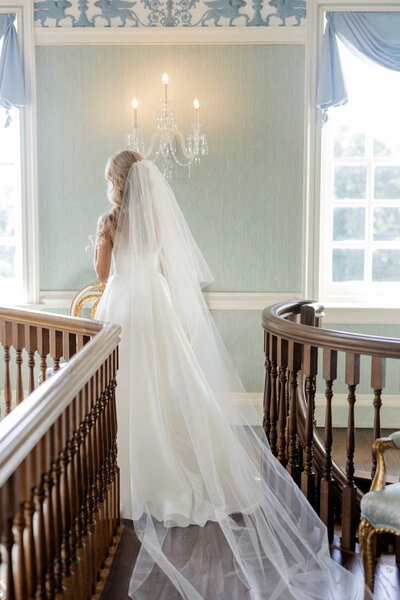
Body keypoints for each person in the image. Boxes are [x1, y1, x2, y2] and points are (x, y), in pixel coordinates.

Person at [93, 150, 368, 599]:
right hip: (153, 307)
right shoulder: (155, 223)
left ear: (117, 183)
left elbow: (104, 274)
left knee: (126, 388)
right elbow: (165, 268)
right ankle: (179, 469)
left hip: (123, 308)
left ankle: (129, 473)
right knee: (164, 389)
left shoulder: (108, 224)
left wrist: (101, 251)